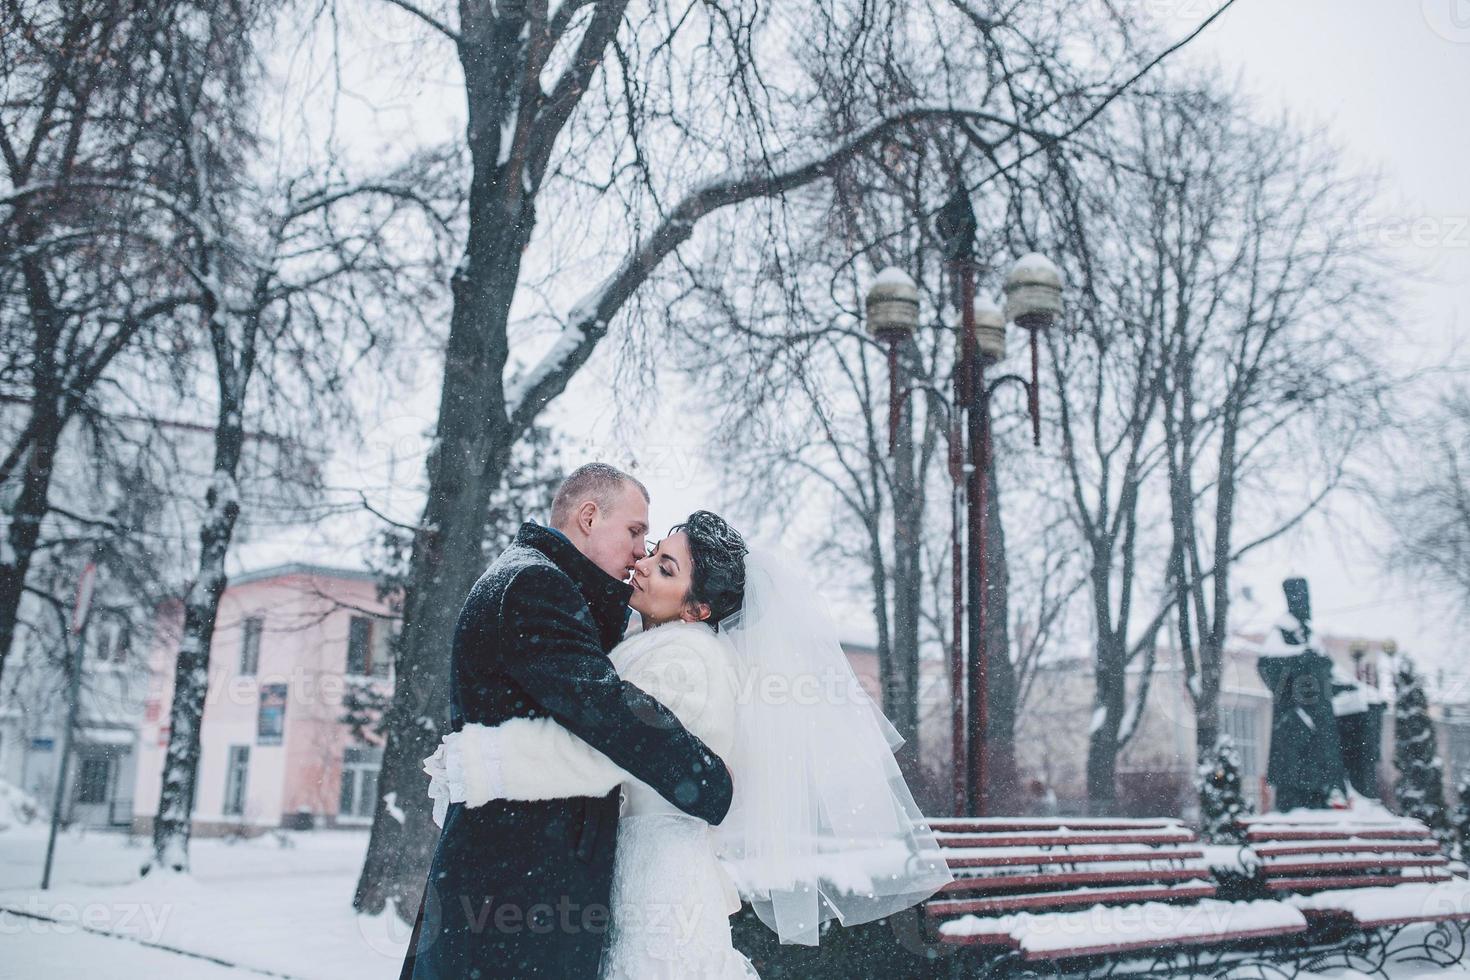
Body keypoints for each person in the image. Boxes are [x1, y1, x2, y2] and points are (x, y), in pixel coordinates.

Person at [426, 509, 953, 978]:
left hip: (659, 875)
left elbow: (610, 754)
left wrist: (483, 763)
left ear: (697, 609)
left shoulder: (685, 659)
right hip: (634, 865)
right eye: (654, 551)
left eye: (667, 568)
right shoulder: (655, 644)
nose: (645, 563)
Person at [400, 464, 735, 980]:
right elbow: (604, 712)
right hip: (514, 882)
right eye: (635, 531)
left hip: (519, 879)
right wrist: (707, 781)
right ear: (587, 516)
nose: (640, 552)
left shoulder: (541, 580)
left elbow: (600, 718)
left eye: (653, 548)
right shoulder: (537, 584)